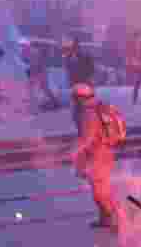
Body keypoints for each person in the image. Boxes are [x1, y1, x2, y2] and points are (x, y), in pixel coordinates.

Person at [72, 83, 126, 231]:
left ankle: (116, 219)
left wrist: (73, 153)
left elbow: (86, 139)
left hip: (98, 155)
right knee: (100, 188)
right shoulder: (98, 106)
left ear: (78, 98)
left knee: (100, 191)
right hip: (103, 152)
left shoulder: (87, 113)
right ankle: (106, 219)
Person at [21, 39, 60, 111]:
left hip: (40, 71)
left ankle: (53, 102)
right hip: (38, 71)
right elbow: (30, 62)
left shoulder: (33, 52)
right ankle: (48, 102)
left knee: (42, 87)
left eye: (24, 46)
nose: (23, 47)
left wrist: (33, 71)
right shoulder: (30, 52)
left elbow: (36, 63)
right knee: (34, 87)